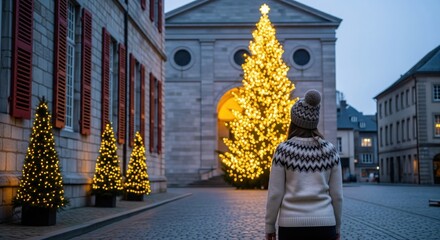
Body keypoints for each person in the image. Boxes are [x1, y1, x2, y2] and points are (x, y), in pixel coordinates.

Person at [265, 89, 343, 240]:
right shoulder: (330, 151)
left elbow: (275, 194)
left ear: (294, 121)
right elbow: (337, 196)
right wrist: (337, 226)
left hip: (291, 227)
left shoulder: (283, 150)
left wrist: (269, 225)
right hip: (325, 225)